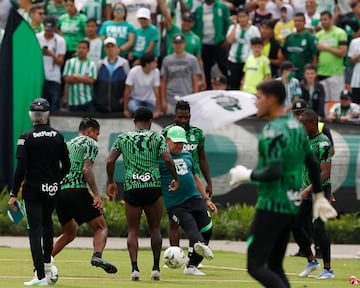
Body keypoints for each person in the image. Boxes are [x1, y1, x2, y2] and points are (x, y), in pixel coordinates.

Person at [228, 79, 337, 288]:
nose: (256, 103)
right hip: (291, 206)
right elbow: (313, 165)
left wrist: (247, 175)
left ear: (271, 99)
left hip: (272, 204)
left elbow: (274, 170)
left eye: (258, 98)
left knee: (255, 265)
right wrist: (319, 197)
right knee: (275, 266)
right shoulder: (296, 128)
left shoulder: (272, 130)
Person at [106, 107, 179, 281]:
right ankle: (155, 269)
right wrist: (175, 178)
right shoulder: (157, 137)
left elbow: (110, 160)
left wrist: (111, 181)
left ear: (134, 121)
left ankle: (135, 269)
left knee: (132, 230)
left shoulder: (123, 138)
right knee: (155, 228)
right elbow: (168, 159)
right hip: (153, 186)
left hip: (132, 187)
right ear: (150, 122)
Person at [8, 98, 70, 286]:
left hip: (33, 189)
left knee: (34, 230)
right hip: (52, 189)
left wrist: (13, 193)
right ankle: (48, 268)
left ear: (31, 115)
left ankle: (40, 276)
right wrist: (56, 180)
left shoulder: (25, 137)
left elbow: (20, 169)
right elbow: (66, 165)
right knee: (48, 224)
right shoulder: (59, 136)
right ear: (47, 115)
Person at [52, 117, 118, 274]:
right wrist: (96, 194)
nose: (97, 137)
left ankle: (44, 261)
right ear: (89, 131)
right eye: (97, 133)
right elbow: (87, 169)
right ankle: (97, 256)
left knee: (69, 233)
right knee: (101, 227)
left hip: (60, 193)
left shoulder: (68, 144)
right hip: (77, 190)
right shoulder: (90, 143)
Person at [159, 126, 217, 276]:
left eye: (182, 143)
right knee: (191, 227)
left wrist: (206, 199)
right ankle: (201, 244)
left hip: (194, 198)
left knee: (207, 229)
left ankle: (191, 266)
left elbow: (196, 178)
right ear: (167, 140)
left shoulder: (187, 155)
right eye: (176, 142)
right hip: (175, 204)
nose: (179, 146)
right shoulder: (160, 158)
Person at [162, 100, 213, 249]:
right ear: (174, 116)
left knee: (197, 219)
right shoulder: (166, 133)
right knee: (174, 221)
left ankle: (194, 254)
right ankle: (174, 254)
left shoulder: (197, 134)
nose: (183, 121)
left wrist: (208, 181)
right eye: (180, 117)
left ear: (190, 116)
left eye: (186, 117)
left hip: (193, 178)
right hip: (173, 179)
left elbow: (202, 157)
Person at [296, 109, 335, 279]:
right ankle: (311, 261)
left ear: (312, 124)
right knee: (294, 224)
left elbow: (325, 173)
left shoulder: (323, 143)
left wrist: (307, 190)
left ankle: (328, 269)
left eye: (303, 125)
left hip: (319, 191)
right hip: (307, 190)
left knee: (318, 227)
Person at [193, 0, 231, 89]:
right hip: (204, 44)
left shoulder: (222, 6)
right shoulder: (199, 9)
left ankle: (228, 88)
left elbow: (228, 23)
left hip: (219, 43)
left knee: (223, 66)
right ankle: (208, 89)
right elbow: (195, 27)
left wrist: (226, 38)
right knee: (206, 68)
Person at [160, 33, 201, 115]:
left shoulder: (192, 59)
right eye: (175, 43)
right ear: (172, 44)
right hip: (170, 99)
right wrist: (163, 100)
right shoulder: (166, 60)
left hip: (187, 98)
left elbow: (195, 81)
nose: (178, 45)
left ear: (184, 44)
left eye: (180, 43)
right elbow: (163, 81)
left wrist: (194, 99)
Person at [315, 10, 347, 103]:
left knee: (336, 101)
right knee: (323, 102)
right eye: (321, 20)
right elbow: (316, 55)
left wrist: (326, 47)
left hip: (335, 73)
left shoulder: (340, 33)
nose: (323, 22)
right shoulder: (318, 35)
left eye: (325, 19)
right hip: (321, 73)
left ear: (331, 19)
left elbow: (343, 52)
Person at [226, 6, 261, 90]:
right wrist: (234, 25)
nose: (242, 19)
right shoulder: (233, 27)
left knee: (244, 85)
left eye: (244, 16)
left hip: (247, 62)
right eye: (240, 17)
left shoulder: (254, 30)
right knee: (233, 85)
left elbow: (258, 46)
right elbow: (229, 41)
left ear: (248, 17)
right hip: (233, 60)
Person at [37, 16, 66, 111]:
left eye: (51, 30)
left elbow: (61, 62)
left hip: (54, 78)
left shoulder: (60, 41)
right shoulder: (37, 37)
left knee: (54, 108)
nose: (48, 32)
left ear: (54, 28)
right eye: (47, 29)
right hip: (40, 77)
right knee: (39, 108)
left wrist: (51, 54)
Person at [94, 37, 130, 112]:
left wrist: (123, 97)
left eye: (112, 46)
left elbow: (127, 83)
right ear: (105, 49)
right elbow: (96, 83)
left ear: (117, 48)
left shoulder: (124, 63)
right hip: (101, 106)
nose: (110, 49)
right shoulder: (100, 64)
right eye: (108, 46)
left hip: (118, 105)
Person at [123, 52, 161, 118]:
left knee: (151, 111)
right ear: (147, 64)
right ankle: (145, 115)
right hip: (136, 100)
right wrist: (125, 110)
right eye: (154, 62)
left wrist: (158, 110)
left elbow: (157, 92)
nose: (157, 64)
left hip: (150, 101)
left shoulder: (156, 71)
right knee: (131, 106)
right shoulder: (133, 71)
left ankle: (141, 115)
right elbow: (127, 90)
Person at [63, 39, 97, 112]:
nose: (81, 50)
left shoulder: (92, 64)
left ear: (88, 50)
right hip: (73, 102)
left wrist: (76, 76)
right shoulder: (70, 62)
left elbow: (91, 80)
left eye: (83, 48)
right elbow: (67, 79)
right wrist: (84, 78)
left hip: (87, 101)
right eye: (79, 47)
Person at [282, 12, 318, 80]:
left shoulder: (310, 37)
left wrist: (312, 72)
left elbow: (315, 56)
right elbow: (284, 54)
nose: (297, 23)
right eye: (296, 21)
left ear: (304, 22)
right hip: (290, 73)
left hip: (305, 74)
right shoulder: (289, 38)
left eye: (300, 21)